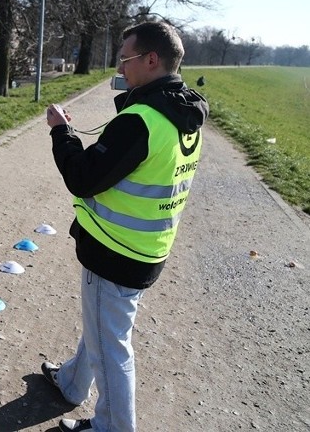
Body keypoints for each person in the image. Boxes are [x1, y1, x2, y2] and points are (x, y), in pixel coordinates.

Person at [42, 21, 209, 432]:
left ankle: (114, 427)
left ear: (151, 60)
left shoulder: (141, 119)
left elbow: (82, 177)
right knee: (102, 325)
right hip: (146, 248)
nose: (122, 67)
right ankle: (70, 382)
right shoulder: (183, 113)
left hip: (114, 251)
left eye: (126, 59)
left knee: (111, 346)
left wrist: (61, 131)